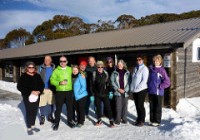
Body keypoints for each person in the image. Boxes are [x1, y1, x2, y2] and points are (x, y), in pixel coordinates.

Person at [17, 62, 44, 135]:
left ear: (34, 68)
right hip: (27, 96)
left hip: (36, 96)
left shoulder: (37, 76)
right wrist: (31, 91)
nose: (31, 69)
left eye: (32, 67)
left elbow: (42, 85)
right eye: (29, 67)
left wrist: (39, 91)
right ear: (26, 68)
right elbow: (19, 87)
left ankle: (33, 125)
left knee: (35, 111)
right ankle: (29, 127)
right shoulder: (23, 76)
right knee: (29, 111)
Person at [50, 56, 76, 130]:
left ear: (67, 62)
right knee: (58, 108)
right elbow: (52, 80)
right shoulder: (56, 70)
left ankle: (70, 121)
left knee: (69, 107)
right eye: (61, 61)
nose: (62, 62)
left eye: (64, 61)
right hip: (59, 92)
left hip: (69, 91)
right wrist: (59, 83)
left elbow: (76, 73)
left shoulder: (70, 69)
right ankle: (56, 122)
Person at [148, 54, 170, 127]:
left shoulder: (162, 70)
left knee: (157, 107)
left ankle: (157, 121)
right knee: (152, 107)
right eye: (154, 61)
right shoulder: (151, 69)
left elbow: (167, 82)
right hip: (151, 91)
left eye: (157, 61)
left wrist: (160, 86)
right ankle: (152, 120)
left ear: (160, 61)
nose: (155, 62)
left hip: (158, 92)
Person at [91, 61, 115, 127]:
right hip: (97, 94)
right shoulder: (94, 74)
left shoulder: (106, 74)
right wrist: (92, 94)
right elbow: (91, 85)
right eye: (98, 67)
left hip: (105, 94)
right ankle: (99, 120)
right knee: (98, 108)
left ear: (103, 67)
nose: (100, 68)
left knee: (108, 107)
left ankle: (111, 121)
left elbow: (109, 83)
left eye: (101, 67)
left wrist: (110, 91)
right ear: (97, 67)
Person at [130, 55, 149, 126]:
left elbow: (144, 80)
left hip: (141, 90)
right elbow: (133, 79)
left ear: (142, 60)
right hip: (135, 90)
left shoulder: (144, 69)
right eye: (137, 60)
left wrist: (138, 88)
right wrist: (132, 88)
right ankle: (138, 118)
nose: (138, 61)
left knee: (140, 105)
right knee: (137, 105)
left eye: (140, 59)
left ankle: (142, 120)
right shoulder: (135, 68)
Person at [111, 59, 130, 125]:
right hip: (117, 92)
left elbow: (129, 82)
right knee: (118, 106)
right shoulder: (114, 72)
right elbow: (112, 82)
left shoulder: (127, 72)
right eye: (118, 64)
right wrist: (118, 89)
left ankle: (124, 119)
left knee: (125, 106)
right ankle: (118, 120)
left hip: (125, 92)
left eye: (121, 64)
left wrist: (125, 90)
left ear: (123, 65)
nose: (120, 65)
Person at [38, 55, 55, 125]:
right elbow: (37, 78)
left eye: (48, 59)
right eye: (45, 59)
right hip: (43, 89)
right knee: (42, 103)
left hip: (51, 89)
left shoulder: (54, 69)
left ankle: (50, 115)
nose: (46, 61)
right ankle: (42, 116)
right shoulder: (40, 68)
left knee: (51, 103)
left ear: (51, 60)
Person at [73, 61, 88, 127]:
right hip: (75, 97)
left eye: (76, 70)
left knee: (81, 109)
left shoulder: (81, 76)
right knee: (77, 109)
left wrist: (78, 93)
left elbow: (84, 87)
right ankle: (78, 120)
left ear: (78, 70)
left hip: (81, 96)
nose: (75, 71)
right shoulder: (72, 77)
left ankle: (81, 121)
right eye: (73, 70)